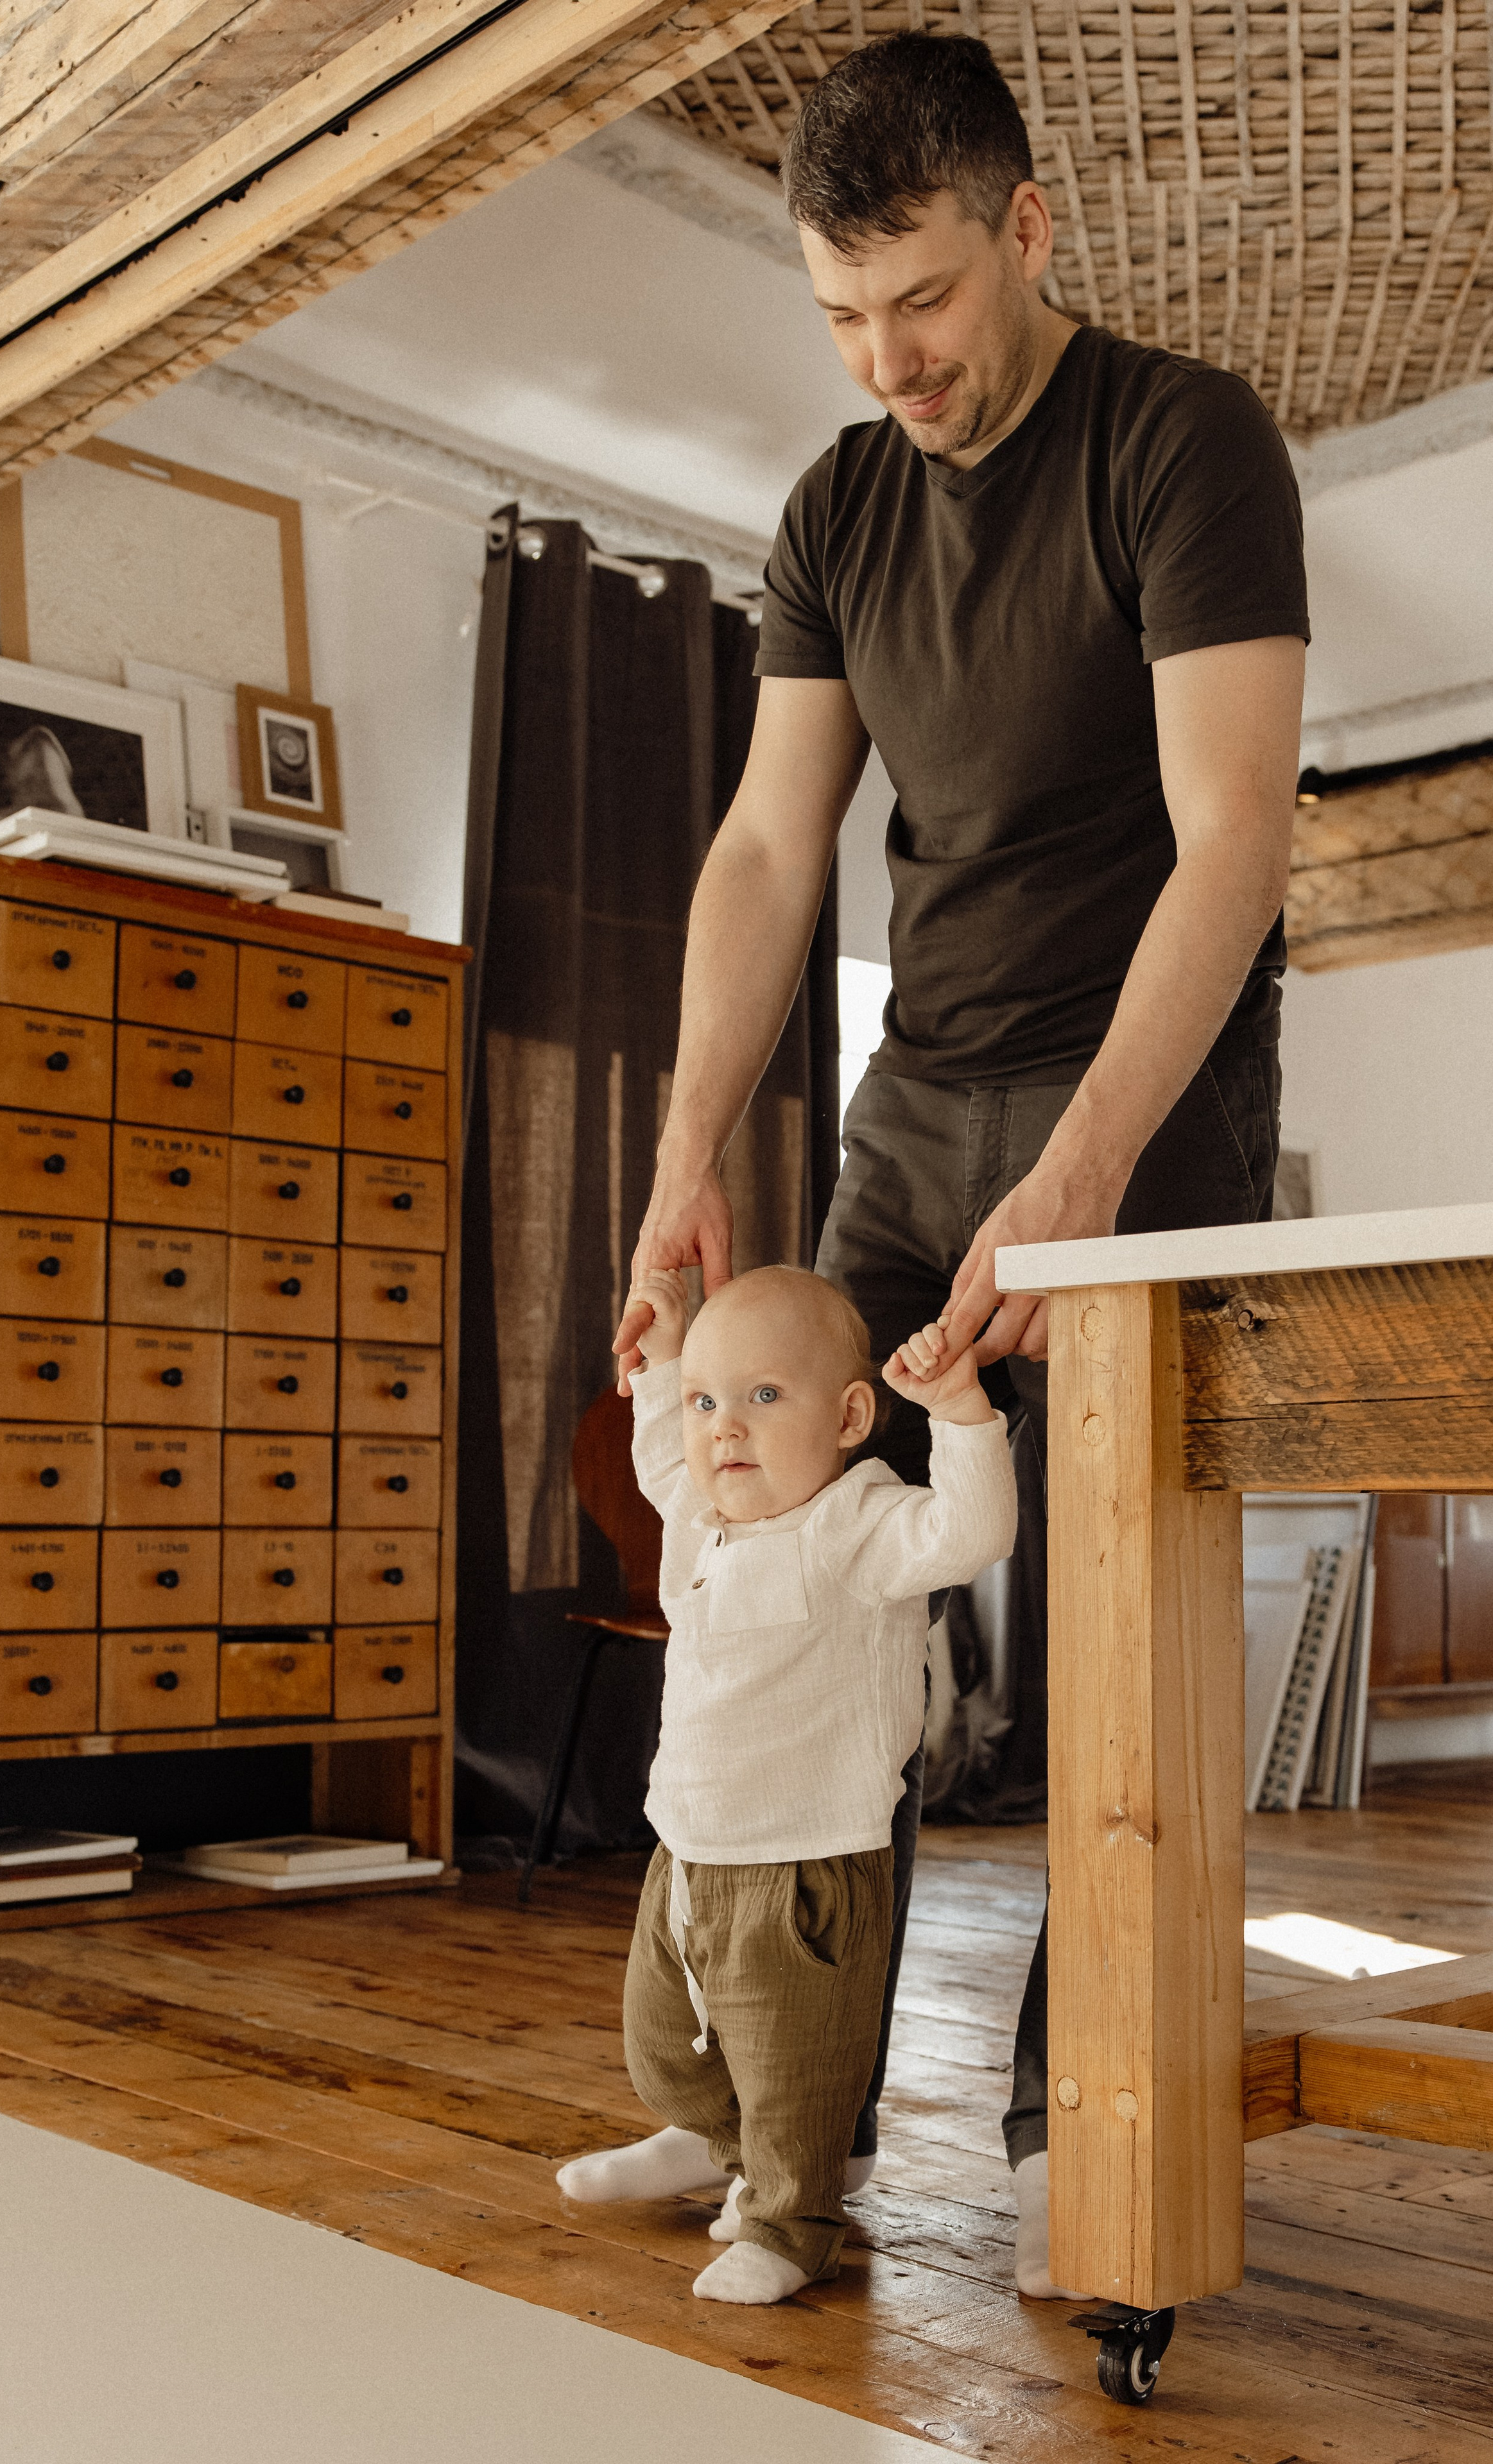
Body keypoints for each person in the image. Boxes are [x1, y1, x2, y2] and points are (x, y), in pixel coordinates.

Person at [610, 32, 1308, 2297]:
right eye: (837, 312)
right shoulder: (833, 509)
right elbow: (764, 841)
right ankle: (751, 2112)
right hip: (922, 1089)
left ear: (1025, 228)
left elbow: (1235, 843)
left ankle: (1068, 2131)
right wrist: (690, 1150)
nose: (884, 359)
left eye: (917, 295)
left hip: (1148, 1086)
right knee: (787, 1583)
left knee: (1109, 1647)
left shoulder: (1183, 440)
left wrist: (1098, 1162)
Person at [556, 1264, 1017, 2304]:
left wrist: (959, 1414)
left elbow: (975, 1533)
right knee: (663, 2046)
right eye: (712, 1405)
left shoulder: (862, 1525)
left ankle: (788, 2219)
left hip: (807, 1861)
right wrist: (671, 1356)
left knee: (799, 2075)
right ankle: (720, 2144)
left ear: (851, 1416)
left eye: (764, 1397)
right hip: (686, 1852)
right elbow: (658, 1451)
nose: (725, 1428)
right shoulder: (699, 1514)